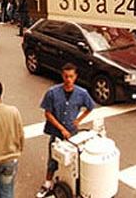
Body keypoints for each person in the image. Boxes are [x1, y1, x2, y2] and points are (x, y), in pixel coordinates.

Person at [37, 63, 95, 198]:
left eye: (71, 76)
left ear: (75, 77)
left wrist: (78, 120)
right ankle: (47, 184)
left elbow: (90, 107)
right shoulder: (52, 92)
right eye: (66, 76)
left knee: (73, 161)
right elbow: (48, 113)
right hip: (57, 133)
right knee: (52, 160)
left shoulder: (82, 93)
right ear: (62, 76)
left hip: (72, 134)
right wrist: (62, 129)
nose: (68, 79)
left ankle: (72, 185)